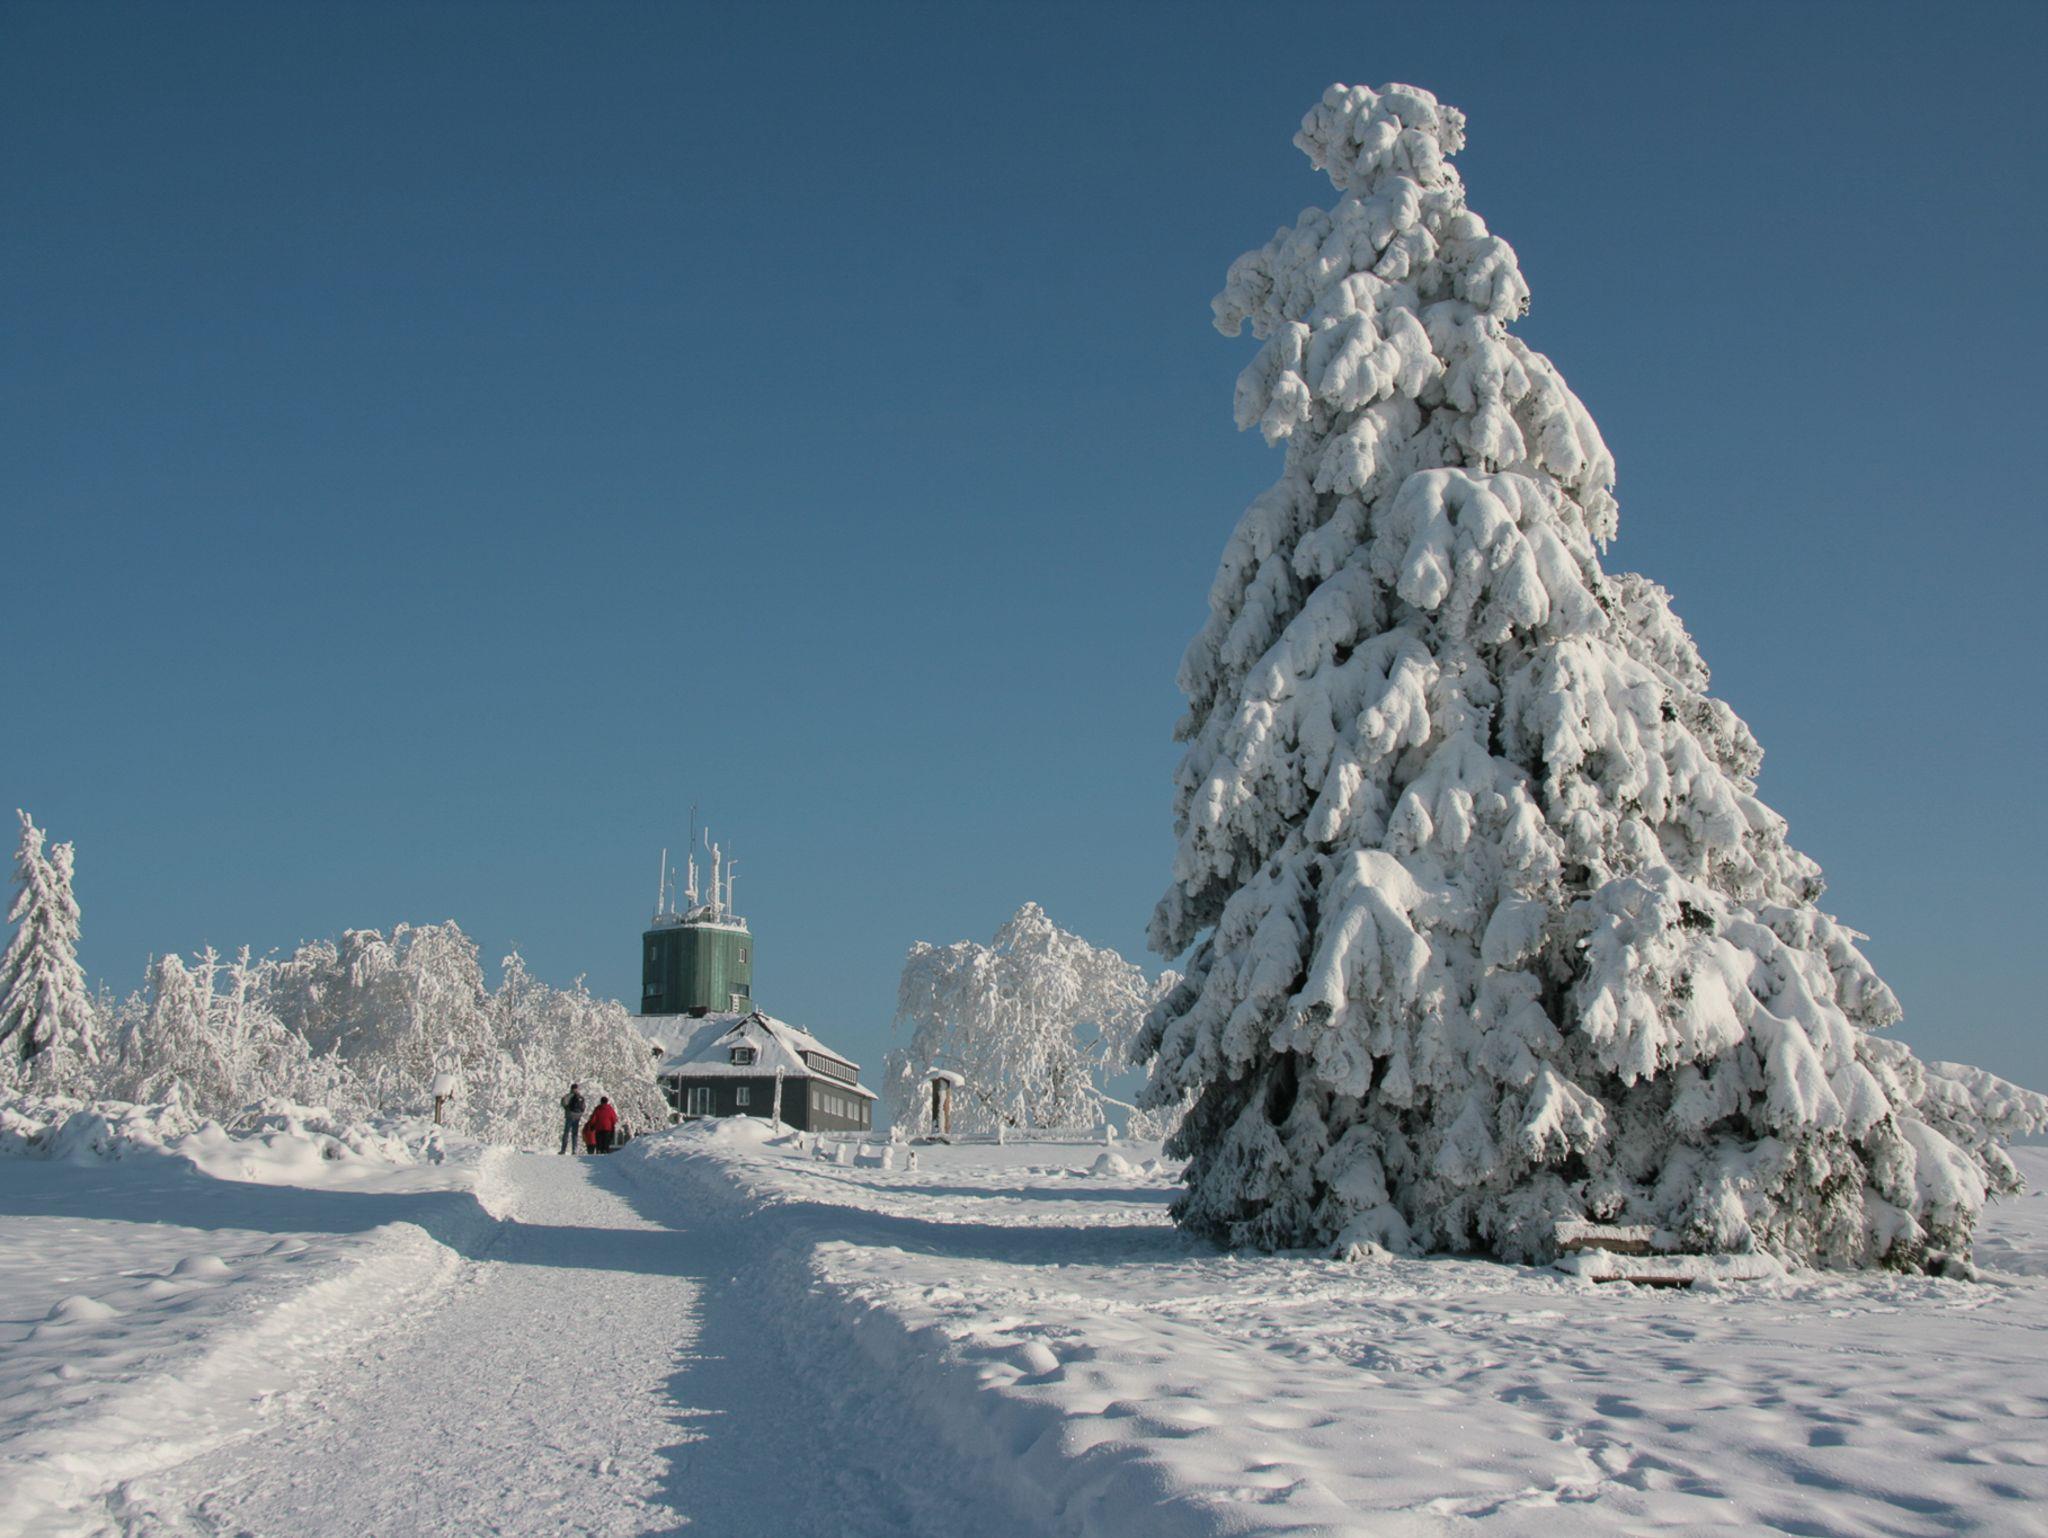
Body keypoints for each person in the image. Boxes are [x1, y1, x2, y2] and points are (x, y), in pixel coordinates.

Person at [559, 1083, 587, 1155]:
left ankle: (563, 1150)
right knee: (575, 1134)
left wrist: (567, 1109)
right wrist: (579, 1113)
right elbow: (583, 1107)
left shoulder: (568, 1096)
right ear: (577, 1089)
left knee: (566, 1132)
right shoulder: (580, 1097)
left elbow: (563, 1103)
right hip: (577, 1117)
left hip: (569, 1116)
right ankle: (574, 1150)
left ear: (571, 1088)